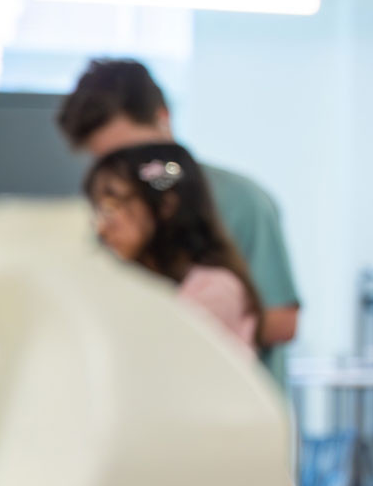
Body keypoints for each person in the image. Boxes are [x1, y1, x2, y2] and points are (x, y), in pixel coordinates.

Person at [57, 59, 300, 382]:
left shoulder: (238, 201)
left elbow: (282, 320)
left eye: (135, 158)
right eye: (108, 163)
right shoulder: (107, 216)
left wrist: (200, 318)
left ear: (163, 120)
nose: (110, 218)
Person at [86, 142, 264, 349]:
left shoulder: (214, 289)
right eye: (97, 208)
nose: (102, 226)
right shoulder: (133, 282)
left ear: (165, 205)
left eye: (112, 205)